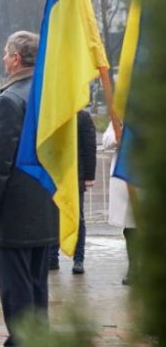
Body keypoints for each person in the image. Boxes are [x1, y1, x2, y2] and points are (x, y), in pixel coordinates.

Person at [0, 31, 58, 347]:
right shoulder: (49, 95)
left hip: (14, 208)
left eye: (4, 53)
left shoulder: (10, 101)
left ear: (14, 58)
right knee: (37, 277)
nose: (2, 59)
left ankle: (24, 338)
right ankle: (39, 333)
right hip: (45, 201)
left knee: (16, 280)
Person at [49, 109, 96, 273]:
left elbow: (89, 147)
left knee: (77, 217)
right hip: (54, 175)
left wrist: (89, 175)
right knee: (53, 215)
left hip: (76, 175)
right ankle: (52, 256)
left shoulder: (82, 116)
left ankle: (78, 258)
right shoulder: (51, 113)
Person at [102, 121, 136, 285]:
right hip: (124, 177)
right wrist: (118, 135)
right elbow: (106, 141)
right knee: (130, 229)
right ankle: (134, 268)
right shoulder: (120, 118)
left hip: (146, 178)